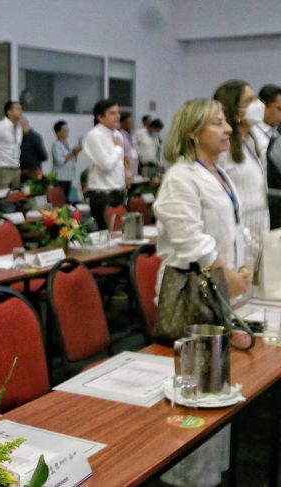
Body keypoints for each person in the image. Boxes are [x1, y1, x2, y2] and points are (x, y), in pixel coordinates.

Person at [154, 98, 249, 487]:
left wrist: (239, 273)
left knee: (215, 389)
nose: (227, 129)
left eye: (226, 121)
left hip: (219, 292)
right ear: (193, 132)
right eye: (216, 123)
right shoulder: (180, 176)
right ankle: (187, 477)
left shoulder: (217, 172)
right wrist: (229, 275)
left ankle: (208, 473)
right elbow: (190, 240)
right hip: (194, 293)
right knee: (196, 390)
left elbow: (230, 229)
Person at [214, 80, 270, 277]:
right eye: (251, 100)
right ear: (236, 113)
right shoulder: (223, 149)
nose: (259, 104)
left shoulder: (251, 140)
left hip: (259, 226)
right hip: (239, 231)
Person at [84, 98, 126, 229]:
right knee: (106, 240)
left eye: (118, 112)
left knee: (122, 236)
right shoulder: (95, 135)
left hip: (119, 194)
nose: (117, 116)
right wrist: (118, 148)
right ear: (100, 117)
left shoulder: (118, 135)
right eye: (112, 113)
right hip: (103, 197)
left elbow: (119, 165)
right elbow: (106, 165)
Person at [255, 84, 281, 229]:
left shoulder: (277, 133)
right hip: (264, 205)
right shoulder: (252, 137)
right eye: (279, 109)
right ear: (262, 106)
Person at [0, 100, 23, 189]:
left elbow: (17, 147)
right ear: (9, 112)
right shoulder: (0, 127)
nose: (20, 111)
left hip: (16, 167)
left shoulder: (19, 128)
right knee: (3, 197)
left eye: (21, 109)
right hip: (2, 168)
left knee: (15, 197)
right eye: (17, 109)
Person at [51, 120, 81, 201]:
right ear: (58, 133)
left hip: (68, 176)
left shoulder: (68, 143)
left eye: (67, 130)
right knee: (59, 200)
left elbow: (72, 159)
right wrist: (72, 152)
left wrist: (76, 152)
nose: (67, 132)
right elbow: (60, 161)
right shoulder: (56, 145)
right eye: (64, 131)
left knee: (66, 198)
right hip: (60, 177)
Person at [119, 112, 139, 182]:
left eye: (132, 122)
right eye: (129, 122)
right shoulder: (119, 136)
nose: (132, 124)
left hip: (133, 172)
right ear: (122, 123)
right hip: (123, 174)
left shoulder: (132, 137)